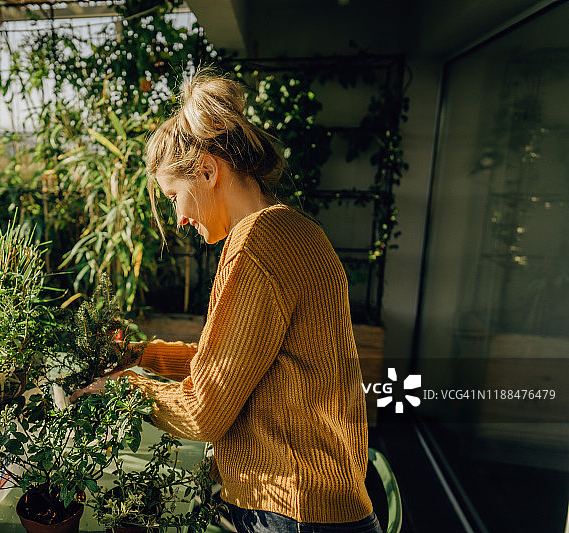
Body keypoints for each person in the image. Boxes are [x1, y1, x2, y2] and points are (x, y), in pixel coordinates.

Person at [73, 71, 382, 533]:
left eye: (174, 196)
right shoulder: (295, 231)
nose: (177, 217)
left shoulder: (257, 245)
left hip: (292, 510)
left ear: (207, 171)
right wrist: (143, 356)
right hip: (322, 503)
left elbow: (204, 412)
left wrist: (120, 389)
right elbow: (238, 365)